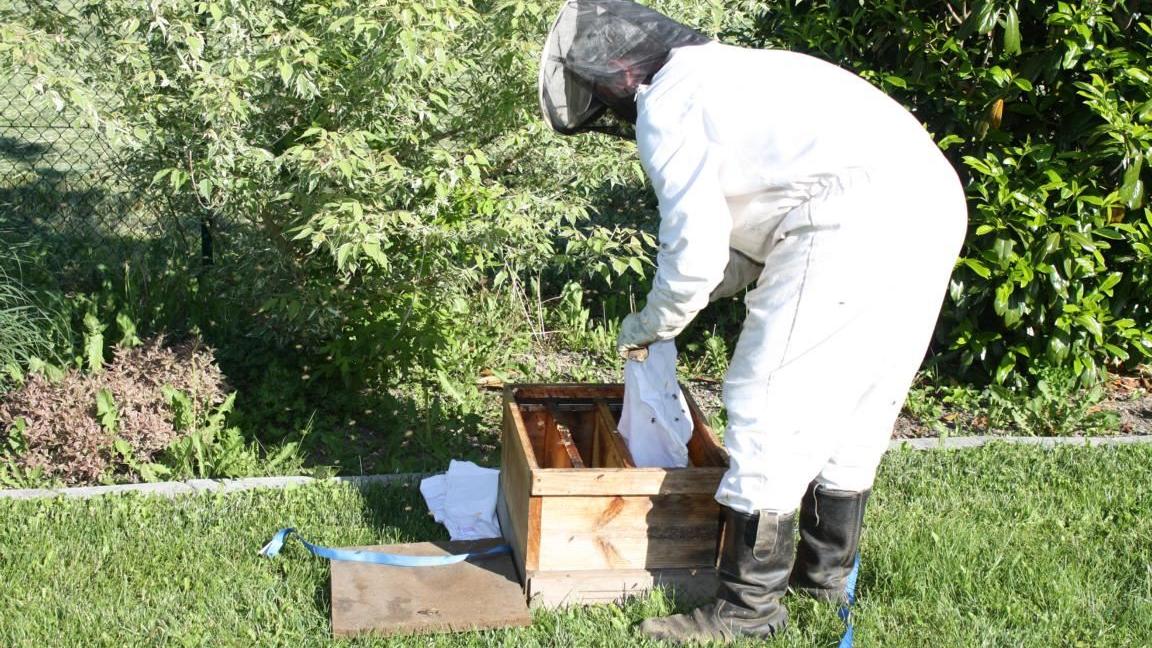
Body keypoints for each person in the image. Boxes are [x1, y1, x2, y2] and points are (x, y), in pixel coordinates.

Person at [538, 0, 968, 643]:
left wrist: (652, 325)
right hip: (933, 201)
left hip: (850, 216)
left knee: (767, 398)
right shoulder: (737, 74)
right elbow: (742, 250)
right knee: (860, 400)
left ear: (616, 71)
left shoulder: (672, 103)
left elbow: (695, 254)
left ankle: (746, 610)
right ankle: (823, 578)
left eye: (601, 91)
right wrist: (685, 301)